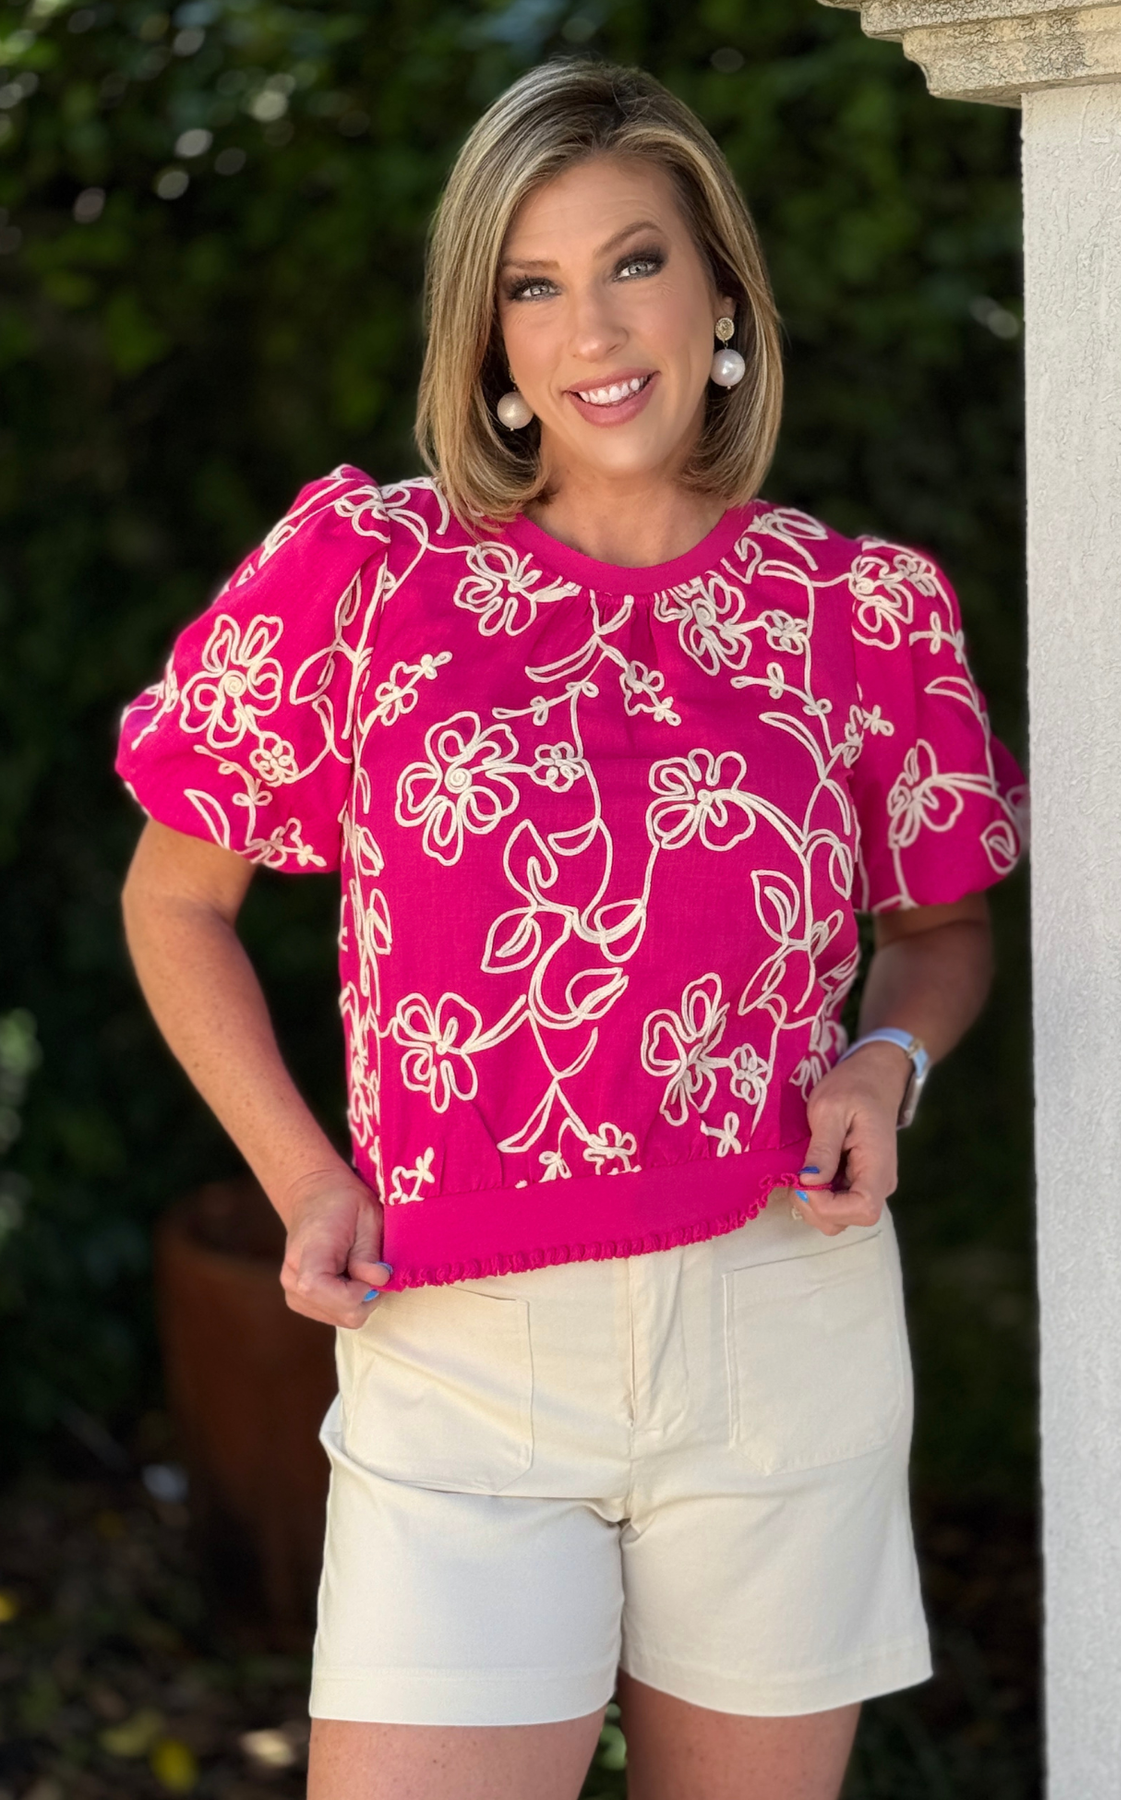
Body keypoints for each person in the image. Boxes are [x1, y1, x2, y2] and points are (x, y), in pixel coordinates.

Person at [117, 58, 1025, 1800]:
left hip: (780, 1322)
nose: (592, 326)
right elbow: (175, 900)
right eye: (533, 284)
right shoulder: (368, 582)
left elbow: (944, 930)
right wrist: (309, 1178)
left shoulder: (860, 614)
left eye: (635, 261)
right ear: (489, 339)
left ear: (724, 296)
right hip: (453, 1351)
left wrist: (891, 1059)